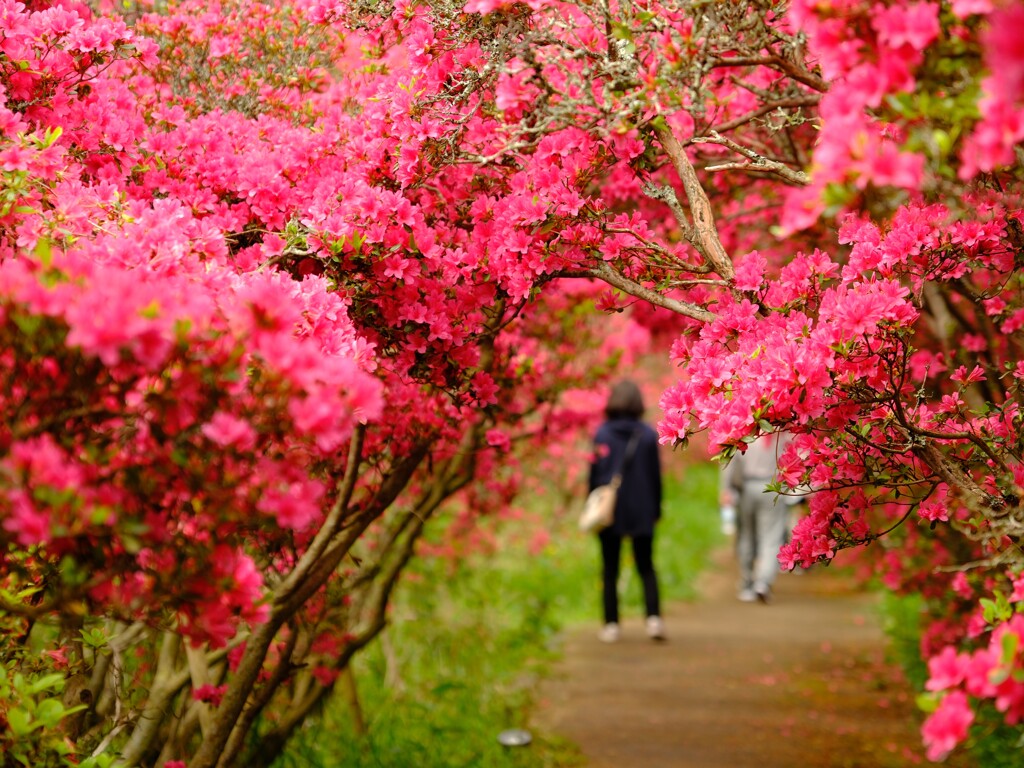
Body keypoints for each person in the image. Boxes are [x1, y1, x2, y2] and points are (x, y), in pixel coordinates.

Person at [588, 380, 665, 643]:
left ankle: (611, 624)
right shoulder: (647, 435)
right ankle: (653, 619)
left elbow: (594, 474)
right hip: (642, 508)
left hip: (610, 509)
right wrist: (656, 507)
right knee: (646, 565)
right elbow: (655, 477)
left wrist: (592, 504)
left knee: (610, 568)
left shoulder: (602, 434)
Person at [719, 433, 792, 604]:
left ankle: (747, 583)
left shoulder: (744, 433)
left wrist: (726, 488)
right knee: (771, 538)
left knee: (746, 536)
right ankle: (763, 583)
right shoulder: (782, 434)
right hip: (773, 488)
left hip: (747, 488)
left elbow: (730, 461)